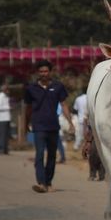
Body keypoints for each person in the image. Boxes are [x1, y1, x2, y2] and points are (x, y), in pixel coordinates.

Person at [25, 60, 75, 193]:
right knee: (40, 154)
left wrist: (70, 122)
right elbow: (28, 108)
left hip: (53, 125)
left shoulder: (58, 86)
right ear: (37, 73)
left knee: (52, 156)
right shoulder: (31, 88)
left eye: (46, 71)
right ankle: (41, 183)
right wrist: (26, 123)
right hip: (38, 126)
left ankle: (49, 182)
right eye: (41, 71)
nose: (43, 74)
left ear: (50, 72)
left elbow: (64, 105)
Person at [0, 84, 11, 154]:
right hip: (2, 118)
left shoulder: (6, 97)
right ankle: (0, 149)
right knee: (2, 134)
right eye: (7, 89)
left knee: (6, 135)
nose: (8, 91)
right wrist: (8, 108)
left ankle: (5, 149)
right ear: (3, 90)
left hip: (7, 118)